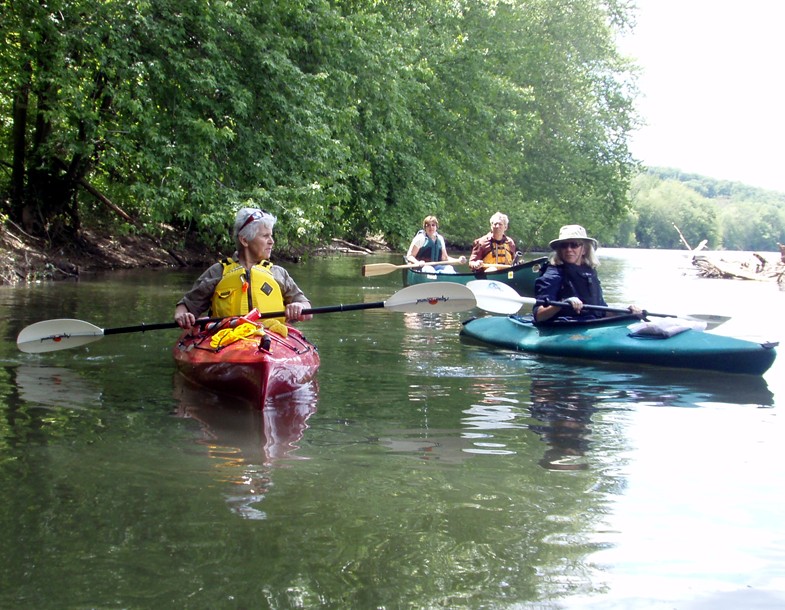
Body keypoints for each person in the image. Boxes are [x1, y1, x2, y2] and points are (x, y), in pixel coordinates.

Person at [174, 208, 312, 330]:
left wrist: (300, 307)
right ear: (245, 240)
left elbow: (307, 309)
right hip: (227, 339)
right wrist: (182, 316)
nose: (272, 241)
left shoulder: (278, 273)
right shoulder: (218, 272)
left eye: (271, 235)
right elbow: (185, 306)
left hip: (271, 339)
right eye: (265, 236)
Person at [533, 224, 640, 323]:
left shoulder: (590, 273)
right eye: (564, 246)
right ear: (559, 250)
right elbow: (539, 315)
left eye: (574, 245)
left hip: (590, 326)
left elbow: (601, 311)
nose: (569, 249)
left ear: (584, 249)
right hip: (565, 327)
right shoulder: (553, 275)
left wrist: (627, 311)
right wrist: (563, 304)